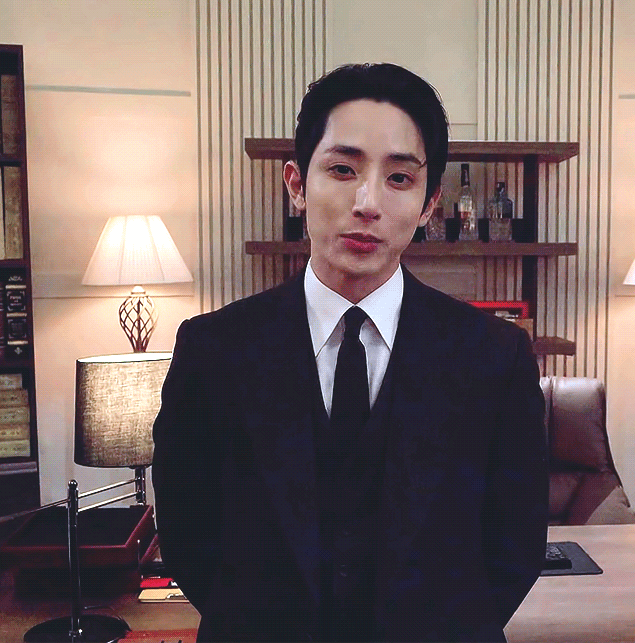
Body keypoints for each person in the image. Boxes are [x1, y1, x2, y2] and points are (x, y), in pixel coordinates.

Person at [152, 62, 548, 643]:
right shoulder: (213, 351)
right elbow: (189, 534)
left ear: (430, 204)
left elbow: (514, 545)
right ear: (296, 184)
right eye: (342, 169)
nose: (368, 202)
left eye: (399, 178)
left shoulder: (495, 357)